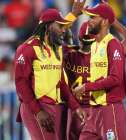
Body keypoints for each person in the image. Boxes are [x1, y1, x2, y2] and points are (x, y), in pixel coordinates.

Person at [14, 1, 87, 139]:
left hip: (56, 106)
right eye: (60, 26)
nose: (64, 29)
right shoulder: (28, 48)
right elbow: (21, 84)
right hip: (37, 107)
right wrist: (38, 111)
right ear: (47, 27)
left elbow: (61, 83)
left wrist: (75, 106)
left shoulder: (56, 48)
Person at [72, 3, 126, 140]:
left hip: (110, 109)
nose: (89, 21)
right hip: (95, 111)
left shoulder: (113, 44)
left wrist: (86, 87)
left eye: (93, 17)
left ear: (104, 21)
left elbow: (115, 78)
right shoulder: (95, 46)